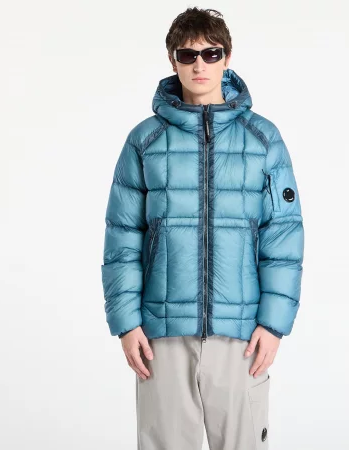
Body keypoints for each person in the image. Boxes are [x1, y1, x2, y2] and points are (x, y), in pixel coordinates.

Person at [100, 7, 304, 450]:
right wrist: (126, 323)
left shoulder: (263, 139)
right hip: (162, 334)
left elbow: (282, 237)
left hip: (241, 334)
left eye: (211, 54)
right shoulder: (144, 140)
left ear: (227, 57)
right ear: (172, 60)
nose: (199, 65)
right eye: (187, 54)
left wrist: (273, 324)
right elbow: (122, 238)